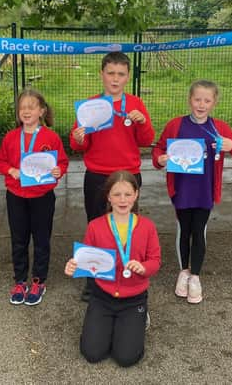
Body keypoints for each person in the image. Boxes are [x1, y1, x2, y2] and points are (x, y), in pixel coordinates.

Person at [152, 80, 232, 304]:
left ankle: (195, 276)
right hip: (182, 190)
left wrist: (231, 146)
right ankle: (183, 272)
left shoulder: (220, 128)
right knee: (183, 231)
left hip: (205, 192)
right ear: (190, 100)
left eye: (207, 100)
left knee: (199, 231)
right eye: (197, 99)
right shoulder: (176, 125)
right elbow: (159, 148)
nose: (201, 104)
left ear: (214, 102)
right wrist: (160, 158)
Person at [70, 51, 155, 301]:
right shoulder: (90, 106)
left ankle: (127, 275)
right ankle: (94, 279)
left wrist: (141, 123)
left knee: (128, 228)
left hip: (128, 175)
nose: (115, 79)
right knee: (96, 227)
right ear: (102, 74)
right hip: (97, 175)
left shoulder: (136, 104)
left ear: (128, 77)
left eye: (120, 74)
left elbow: (147, 140)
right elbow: (79, 145)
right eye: (110, 73)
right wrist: (77, 138)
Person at [64, 170, 161, 367]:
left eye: (127, 194)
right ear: (108, 196)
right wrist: (73, 265)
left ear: (136, 195)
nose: (122, 200)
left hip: (134, 299)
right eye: (117, 194)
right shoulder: (95, 226)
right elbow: (85, 259)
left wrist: (143, 267)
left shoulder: (147, 227)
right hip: (102, 297)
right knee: (92, 353)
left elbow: (155, 260)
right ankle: (111, 324)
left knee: (126, 358)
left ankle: (139, 317)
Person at [0, 89, 68, 306]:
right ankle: (20, 281)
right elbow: (1, 161)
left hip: (42, 196)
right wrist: (11, 171)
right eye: (22, 107)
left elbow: (62, 162)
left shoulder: (51, 137)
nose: (26, 111)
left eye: (31, 107)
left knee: (41, 239)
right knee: (19, 239)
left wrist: (58, 171)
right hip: (16, 196)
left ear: (41, 111)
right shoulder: (10, 137)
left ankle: (38, 280)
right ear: (18, 113)